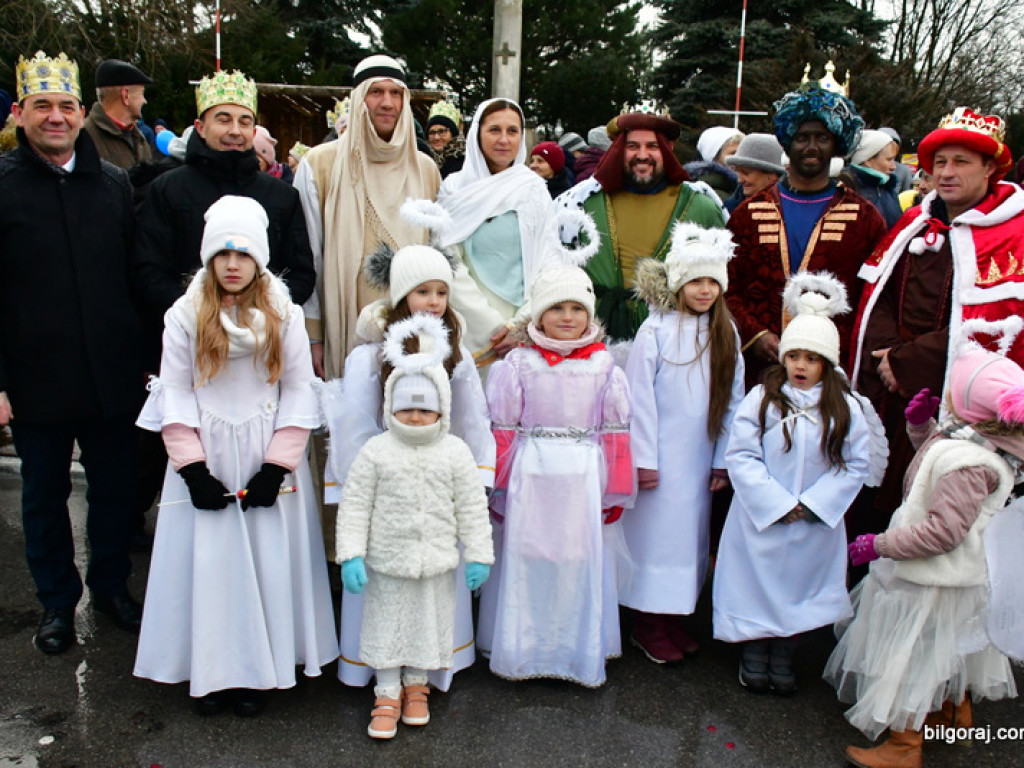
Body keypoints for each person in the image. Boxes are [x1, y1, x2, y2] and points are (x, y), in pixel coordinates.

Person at [133, 196, 338, 717]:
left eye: (242, 254)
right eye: (221, 253)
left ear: (258, 259)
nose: (231, 264)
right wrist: (192, 467)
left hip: (266, 451)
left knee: (267, 561)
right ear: (207, 258)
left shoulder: (283, 312)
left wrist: (278, 464)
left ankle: (260, 669)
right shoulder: (184, 314)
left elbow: (298, 388)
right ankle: (216, 671)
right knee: (214, 565)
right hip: (206, 453)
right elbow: (175, 392)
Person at [0, 51, 145, 655]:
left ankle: (111, 588)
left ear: (82, 113)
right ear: (21, 113)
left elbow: (134, 280)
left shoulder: (112, 184)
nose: (55, 118)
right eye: (43, 107)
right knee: (44, 495)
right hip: (36, 377)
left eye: (65, 106)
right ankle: (57, 603)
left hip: (111, 373)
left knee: (113, 492)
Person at [826, 325, 1022, 767]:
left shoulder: (967, 461)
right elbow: (934, 469)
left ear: (971, 403)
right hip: (956, 576)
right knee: (949, 648)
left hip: (931, 576)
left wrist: (881, 544)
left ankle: (905, 744)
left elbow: (942, 530)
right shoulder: (975, 441)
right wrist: (922, 428)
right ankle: (953, 711)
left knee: (913, 657)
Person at [321, 238, 495, 692]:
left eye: (441, 292)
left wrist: (475, 477)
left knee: (436, 583)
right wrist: (357, 489)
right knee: (383, 587)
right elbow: (355, 426)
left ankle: (429, 669)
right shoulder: (367, 357)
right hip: (387, 489)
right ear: (401, 297)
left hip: (439, 486)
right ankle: (378, 671)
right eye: (423, 292)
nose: (434, 302)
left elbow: (473, 420)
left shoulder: (456, 357)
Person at [851, 107, 1022, 534]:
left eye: (961, 161)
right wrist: (887, 356)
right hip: (894, 396)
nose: (946, 173)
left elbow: (999, 325)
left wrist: (909, 361)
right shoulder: (914, 222)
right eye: (939, 162)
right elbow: (877, 297)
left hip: (957, 408)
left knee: (940, 516)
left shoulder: (1014, 233)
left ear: (989, 168)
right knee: (880, 504)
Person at [713, 273, 873, 695]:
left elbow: (856, 463)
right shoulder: (762, 399)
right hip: (761, 518)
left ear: (828, 363)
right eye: (794, 355)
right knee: (756, 582)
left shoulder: (845, 409)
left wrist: (813, 505)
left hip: (812, 521)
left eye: (812, 358)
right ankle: (754, 650)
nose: (801, 365)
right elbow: (742, 454)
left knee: (799, 586)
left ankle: (785, 650)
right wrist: (775, 502)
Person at [336, 314, 494, 740]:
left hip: (437, 565)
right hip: (386, 562)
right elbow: (354, 505)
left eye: (426, 408)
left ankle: (417, 685)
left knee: (427, 627)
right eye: (407, 407)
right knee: (386, 626)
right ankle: (386, 690)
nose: (417, 416)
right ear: (390, 407)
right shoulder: (376, 452)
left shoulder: (456, 453)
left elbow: (472, 508)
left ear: (441, 408)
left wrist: (479, 554)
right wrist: (350, 554)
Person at [483, 265, 635, 687]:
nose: (568, 317)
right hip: (533, 472)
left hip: (583, 475)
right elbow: (503, 428)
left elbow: (615, 433)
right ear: (539, 315)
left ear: (589, 315)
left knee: (577, 558)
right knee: (531, 556)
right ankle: (525, 648)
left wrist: (614, 493)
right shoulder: (518, 364)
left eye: (576, 308)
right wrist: (498, 488)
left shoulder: (605, 367)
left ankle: (575, 648)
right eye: (556, 308)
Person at [621, 223, 745, 664]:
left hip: (697, 461)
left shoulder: (724, 333)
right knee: (656, 540)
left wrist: (722, 460)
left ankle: (675, 616)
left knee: (688, 541)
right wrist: (645, 460)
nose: (705, 289)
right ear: (677, 284)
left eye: (713, 281)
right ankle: (647, 622)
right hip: (660, 461)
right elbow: (639, 399)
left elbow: (734, 401)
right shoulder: (654, 332)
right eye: (696, 280)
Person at [726, 83, 887, 386]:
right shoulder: (747, 214)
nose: (811, 147)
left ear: (836, 143)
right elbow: (728, 288)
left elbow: (875, 299)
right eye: (802, 138)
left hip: (832, 372)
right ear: (787, 143)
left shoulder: (865, 218)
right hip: (760, 370)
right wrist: (755, 335)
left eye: (821, 138)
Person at [295, 54, 440, 379]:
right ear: (360, 99)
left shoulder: (426, 169)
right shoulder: (321, 164)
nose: (387, 102)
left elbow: (436, 257)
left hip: (413, 330)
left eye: (395, 93)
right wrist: (314, 334)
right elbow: (310, 256)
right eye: (376, 92)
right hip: (343, 325)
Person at [557, 109, 726, 340]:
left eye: (652, 146)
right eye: (633, 146)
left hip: (675, 342)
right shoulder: (581, 203)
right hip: (593, 339)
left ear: (667, 151)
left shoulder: (700, 206)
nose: (642, 154)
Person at [428, 98, 558, 367]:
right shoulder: (454, 190)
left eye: (512, 131)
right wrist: (491, 326)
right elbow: (448, 260)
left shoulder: (532, 188)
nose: (503, 139)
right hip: (468, 323)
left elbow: (549, 258)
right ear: (477, 133)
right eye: (494, 130)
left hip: (525, 321)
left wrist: (521, 322)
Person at [83, 58, 153, 169]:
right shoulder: (84, 137)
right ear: (126, 96)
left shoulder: (138, 137)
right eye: (141, 94)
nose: (144, 101)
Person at [842, 130, 903, 228]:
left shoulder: (888, 190)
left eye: (894, 159)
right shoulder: (848, 191)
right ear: (868, 160)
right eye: (889, 160)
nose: (894, 167)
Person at [723, 133, 785, 214]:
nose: (739, 180)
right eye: (737, 171)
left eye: (746, 173)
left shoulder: (791, 209)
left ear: (772, 174)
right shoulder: (730, 209)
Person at [685, 126, 743, 201]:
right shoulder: (710, 196)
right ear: (713, 158)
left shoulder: (740, 190)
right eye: (733, 153)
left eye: (742, 153)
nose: (740, 159)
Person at [426, 100, 465, 178]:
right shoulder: (423, 159)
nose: (436, 137)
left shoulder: (464, 163)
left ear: (453, 134)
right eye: (432, 132)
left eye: (442, 131)